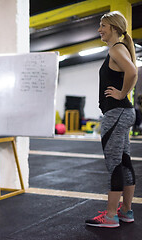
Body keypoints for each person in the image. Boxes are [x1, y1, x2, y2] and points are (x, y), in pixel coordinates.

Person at [85, 11, 138, 228]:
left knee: (115, 164)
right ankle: (125, 211)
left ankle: (110, 216)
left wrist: (122, 93)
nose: (99, 29)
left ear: (114, 28)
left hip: (117, 113)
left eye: (103, 25)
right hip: (123, 113)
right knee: (124, 162)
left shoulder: (116, 49)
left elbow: (132, 72)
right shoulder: (119, 49)